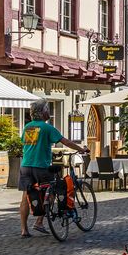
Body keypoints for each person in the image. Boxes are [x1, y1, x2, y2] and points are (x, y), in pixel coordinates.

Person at [19, 100, 89, 238]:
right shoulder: (47, 128)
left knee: (25, 196)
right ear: (42, 112)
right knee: (51, 192)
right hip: (41, 166)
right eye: (47, 109)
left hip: (26, 165)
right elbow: (66, 142)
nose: (49, 112)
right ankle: (39, 222)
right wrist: (81, 149)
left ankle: (24, 230)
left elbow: (27, 143)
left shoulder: (27, 127)